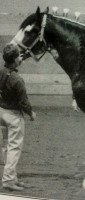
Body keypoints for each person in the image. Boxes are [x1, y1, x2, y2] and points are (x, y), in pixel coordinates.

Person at [0, 43, 36, 191]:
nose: (20, 58)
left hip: (1, 112)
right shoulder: (18, 80)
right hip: (14, 116)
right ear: (15, 59)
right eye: (18, 56)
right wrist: (31, 113)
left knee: (7, 147)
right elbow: (24, 102)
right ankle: (8, 180)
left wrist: (16, 60)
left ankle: (12, 177)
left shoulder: (1, 72)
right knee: (14, 148)